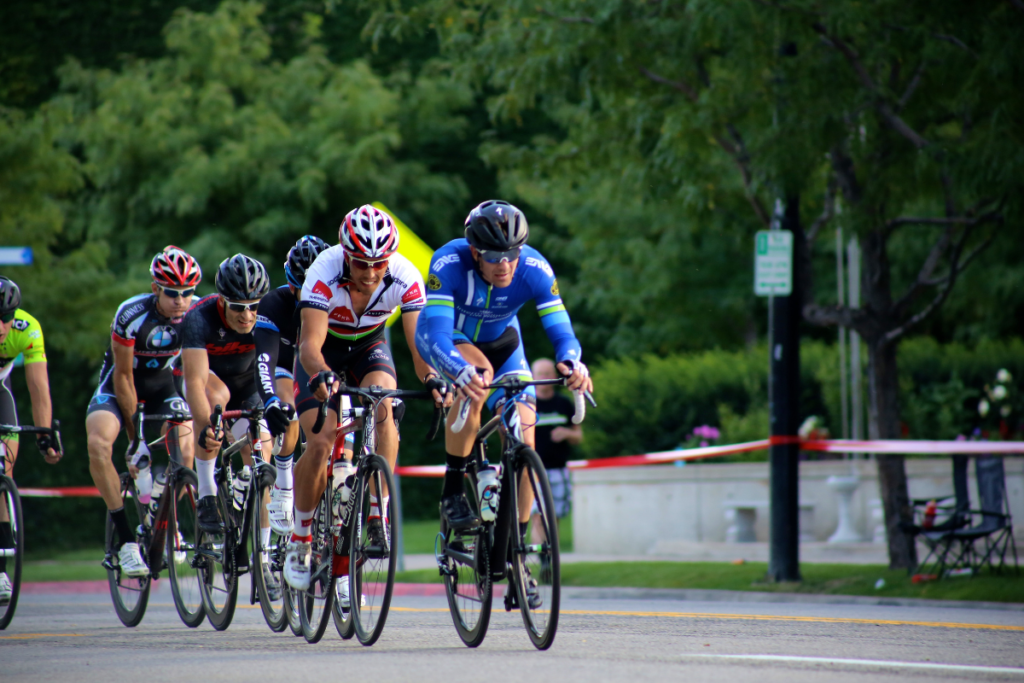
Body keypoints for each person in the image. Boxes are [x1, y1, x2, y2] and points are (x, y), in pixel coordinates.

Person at [284, 204, 448, 608]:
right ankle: (301, 537)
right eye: (361, 262)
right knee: (320, 442)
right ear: (345, 253)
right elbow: (309, 346)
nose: (371, 272)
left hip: (369, 348)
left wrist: (431, 378)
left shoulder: (406, 276)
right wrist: (322, 375)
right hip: (325, 353)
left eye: (379, 263)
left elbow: (418, 345)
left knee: (385, 406)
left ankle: (378, 511)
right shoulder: (323, 271)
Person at [415, 199, 592, 556]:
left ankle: (516, 544)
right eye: (494, 257)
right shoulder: (448, 263)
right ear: (475, 252)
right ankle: (452, 489)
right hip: (452, 340)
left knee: (526, 429)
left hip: (506, 344)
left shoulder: (535, 267)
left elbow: (561, 329)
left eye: (512, 254)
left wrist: (573, 363)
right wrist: (458, 371)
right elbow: (436, 334)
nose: (505, 265)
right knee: (477, 380)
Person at [86, 246, 200, 578]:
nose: (181, 300)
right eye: (172, 293)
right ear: (155, 289)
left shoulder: (195, 316)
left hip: (164, 384)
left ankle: (167, 519)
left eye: (188, 293)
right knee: (99, 443)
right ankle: (125, 543)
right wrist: (136, 438)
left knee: (187, 443)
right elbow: (122, 376)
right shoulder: (131, 314)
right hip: (122, 383)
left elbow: (197, 373)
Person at [180, 254, 270, 544]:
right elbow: (194, 381)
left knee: (262, 455)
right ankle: (207, 494)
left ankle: (264, 552)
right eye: (237, 308)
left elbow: (277, 370)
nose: (246, 316)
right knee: (216, 403)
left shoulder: (268, 316)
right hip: (207, 382)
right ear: (221, 300)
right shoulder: (198, 317)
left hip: (247, 385)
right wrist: (207, 424)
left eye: (253, 307)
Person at [254, 235, 329, 536]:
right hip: (286, 364)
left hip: (322, 367)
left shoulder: (340, 301)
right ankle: (284, 485)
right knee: (289, 407)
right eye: (302, 287)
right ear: (290, 282)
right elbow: (264, 362)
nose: (309, 294)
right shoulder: (275, 303)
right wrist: (270, 399)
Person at [0, 276, 60, 604]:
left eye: (6, 318)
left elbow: (39, 388)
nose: (0, 326)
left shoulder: (27, 328)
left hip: (0, 391)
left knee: (3, 468)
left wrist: (44, 435)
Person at [529, 358, 582, 544]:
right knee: (538, 515)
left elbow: (579, 436)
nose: (544, 377)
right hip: (534, 470)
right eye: (540, 374)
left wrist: (566, 432)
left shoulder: (564, 403)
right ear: (533, 376)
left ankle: (550, 560)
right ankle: (537, 557)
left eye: (548, 373)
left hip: (559, 469)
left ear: (554, 375)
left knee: (554, 517)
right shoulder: (527, 404)